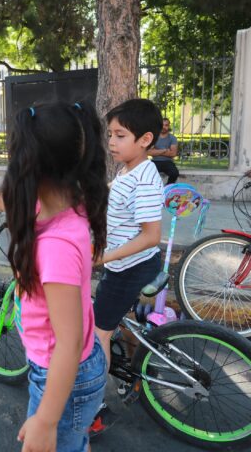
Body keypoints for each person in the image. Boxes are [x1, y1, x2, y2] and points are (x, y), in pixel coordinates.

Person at [0, 101, 109, 452]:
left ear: (29, 164)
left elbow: (69, 341)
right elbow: (17, 202)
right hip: (71, 371)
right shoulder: (68, 200)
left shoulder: (56, 247)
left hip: (64, 376)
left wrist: (47, 420)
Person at [89, 99, 164, 437]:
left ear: (145, 139)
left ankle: (91, 405)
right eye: (110, 135)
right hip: (129, 264)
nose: (112, 142)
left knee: (96, 334)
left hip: (128, 269)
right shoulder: (127, 168)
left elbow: (151, 236)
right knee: (127, 322)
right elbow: (116, 194)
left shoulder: (146, 178)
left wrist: (102, 258)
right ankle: (131, 373)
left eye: (120, 135)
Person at [148, 117, 179, 183]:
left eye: (166, 125)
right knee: (147, 173)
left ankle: (167, 189)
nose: (164, 127)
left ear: (169, 126)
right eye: (162, 125)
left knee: (175, 173)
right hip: (155, 161)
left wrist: (156, 151)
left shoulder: (172, 138)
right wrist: (164, 150)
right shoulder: (154, 137)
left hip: (168, 162)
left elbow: (173, 154)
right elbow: (148, 152)